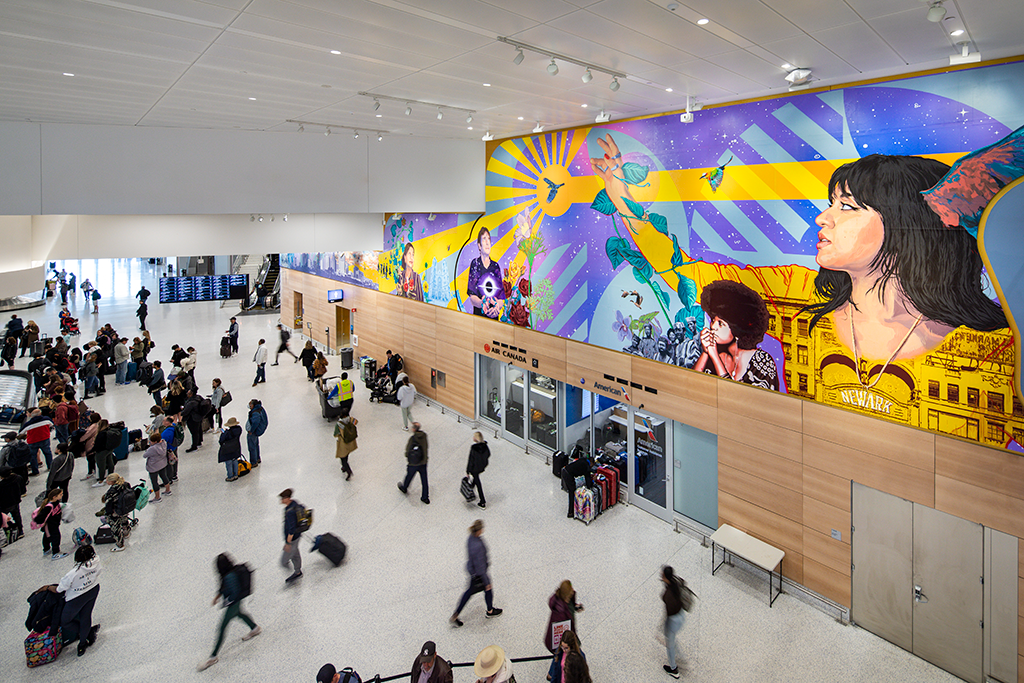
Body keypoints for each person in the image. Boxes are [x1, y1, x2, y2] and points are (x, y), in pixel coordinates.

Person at [692, 280, 778, 391]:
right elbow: (691, 385)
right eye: (713, 320)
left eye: (721, 323)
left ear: (737, 330)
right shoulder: (713, 353)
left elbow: (735, 397)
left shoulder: (762, 362)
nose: (713, 327)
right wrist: (705, 352)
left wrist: (714, 357)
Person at [197, 553, 261, 671]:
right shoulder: (229, 573)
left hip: (234, 603)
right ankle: (254, 628)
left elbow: (234, 593)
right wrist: (218, 597)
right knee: (239, 614)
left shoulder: (229, 577)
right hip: (235, 603)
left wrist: (227, 602)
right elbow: (224, 587)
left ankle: (213, 656)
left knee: (222, 627)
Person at [450, 519, 503, 627]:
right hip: (479, 574)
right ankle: (490, 611)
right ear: (479, 530)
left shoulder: (471, 538)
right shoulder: (478, 545)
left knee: (468, 593)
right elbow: (481, 566)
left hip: (472, 570)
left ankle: (456, 614)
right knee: (488, 589)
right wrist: (486, 581)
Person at [56, 544, 102, 656]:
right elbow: (99, 572)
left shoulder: (73, 573)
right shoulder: (96, 561)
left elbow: (60, 588)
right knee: (85, 616)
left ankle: (85, 632)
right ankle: (82, 643)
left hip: (76, 597)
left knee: (65, 621)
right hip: (93, 589)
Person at [467, 226, 505, 317]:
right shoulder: (475, 264)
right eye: (484, 239)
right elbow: (472, 297)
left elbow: (501, 298)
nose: (488, 242)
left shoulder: (495, 266)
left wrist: (497, 307)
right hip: (479, 318)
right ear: (479, 246)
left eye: (489, 239)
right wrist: (482, 304)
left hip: (494, 318)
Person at [544, 580, 584, 654]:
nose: (573, 591)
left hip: (571, 631)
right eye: (571, 590)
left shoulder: (568, 599)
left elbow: (570, 606)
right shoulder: (560, 614)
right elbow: (560, 632)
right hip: (566, 638)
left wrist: (575, 607)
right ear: (566, 595)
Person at [661, 565, 687, 678]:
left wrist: (664, 625)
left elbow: (669, 612)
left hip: (673, 620)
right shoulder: (675, 582)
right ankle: (680, 657)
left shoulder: (668, 595)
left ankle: (673, 669)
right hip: (681, 615)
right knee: (672, 638)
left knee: (669, 644)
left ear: (665, 577)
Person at [397, 422, 429, 504]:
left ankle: (404, 487)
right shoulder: (424, 436)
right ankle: (425, 497)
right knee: (424, 480)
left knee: (409, 476)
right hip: (423, 462)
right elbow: (426, 447)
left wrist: (408, 457)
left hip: (414, 463)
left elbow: (407, 451)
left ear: (414, 429)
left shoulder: (412, 439)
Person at [103, 473, 133, 552]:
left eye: (107, 480)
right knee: (124, 520)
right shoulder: (125, 484)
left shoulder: (111, 491)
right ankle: (126, 533)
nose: (106, 481)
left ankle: (120, 545)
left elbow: (108, 504)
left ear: (111, 481)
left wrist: (108, 514)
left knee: (115, 528)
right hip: (124, 508)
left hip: (115, 511)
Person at [34, 488, 67, 560]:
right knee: (56, 537)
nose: (62, 495)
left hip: (53, 524)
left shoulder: (56, 503)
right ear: (54, 497)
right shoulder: (49, 506)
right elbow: (41, 516)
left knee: (47, 536)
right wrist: (37, 521)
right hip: (51, 525)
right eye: (60, 495)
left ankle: (46, 549)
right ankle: (55, 553)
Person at [279, 488, 303, 584]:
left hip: (292, 539)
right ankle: (298, 571)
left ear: (287, 498)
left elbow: (291, 529)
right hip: (297, 536)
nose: (281, 501)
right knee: (295, 554)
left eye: (282, 498)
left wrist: (288, 543)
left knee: (283, 561)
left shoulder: (290, 512)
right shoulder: (294, 504)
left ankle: (297, 572)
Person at [20, 407, 54, 473]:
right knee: (47, 453)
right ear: (40, 413)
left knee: (33, 456)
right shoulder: (46, 419)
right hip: (45, 439)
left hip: (33, 441)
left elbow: (21, 432)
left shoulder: (28, 424)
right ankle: (50, 467)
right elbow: (51, 425)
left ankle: (35, 471)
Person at [560, 452, 593, 519]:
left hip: (565, 470)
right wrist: (592, 483)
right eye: (592, 465)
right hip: (568, 475)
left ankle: (573, 509)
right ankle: (570, 512)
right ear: (591, 463)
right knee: (572, 492)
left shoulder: (583, 460)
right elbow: (588, 482)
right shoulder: (587, 467)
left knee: (572, 490)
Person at [143, 433, 172, 502]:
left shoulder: (152, 449)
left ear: (155, 442)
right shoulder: (164, 443)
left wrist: (149, 447)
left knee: (154, 481)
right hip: (162, 464)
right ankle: (168, 490)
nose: (150, 442)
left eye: (151, 441)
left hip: (153, 467)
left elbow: (145, 455)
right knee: (164, 476)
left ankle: (157, 497)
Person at [466, 431, 490, 509]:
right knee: (475, 479)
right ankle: (471, 490)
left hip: (474, 468)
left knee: (478, 482)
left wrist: (468, 471)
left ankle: (482, 501)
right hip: (481, 467)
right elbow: (488, 454)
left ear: (476, 439)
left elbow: (471, 460)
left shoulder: (474, 448)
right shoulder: (485, 447)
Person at [0, 466, 24, 540]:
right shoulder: (18, 478)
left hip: (4, 505)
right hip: (15, 501)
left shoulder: (1, 485)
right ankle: (20, 530)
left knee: (3, 518)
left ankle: (10, 528)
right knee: (17, 516)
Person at [333, 413, 357, 480]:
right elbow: (356, 422)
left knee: (342, 457)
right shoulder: (351, 419)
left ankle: (348, 471)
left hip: (343, 443)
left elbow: (335, 434)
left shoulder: (339, 424)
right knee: (346, 455)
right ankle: (343, 468)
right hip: (351, 442)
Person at [219, 417, 243, 482]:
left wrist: (223, 433)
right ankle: (235, 474)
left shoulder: (227, 433)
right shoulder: (239, 429)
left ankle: (230, 476)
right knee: (235, 460)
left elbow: (221, 440)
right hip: (236, 447)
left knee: (229, 462)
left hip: (228, 449)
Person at [245, 399, 267, 467]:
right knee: (256, 444)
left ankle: (253, 462)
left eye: (250, 405)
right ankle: (257, 458)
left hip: (253, 432)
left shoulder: (255, 413)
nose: (249, 406)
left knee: (252, 447)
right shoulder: (260, 408)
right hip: (256, 431)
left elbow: (255, 422)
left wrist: (251, 431)